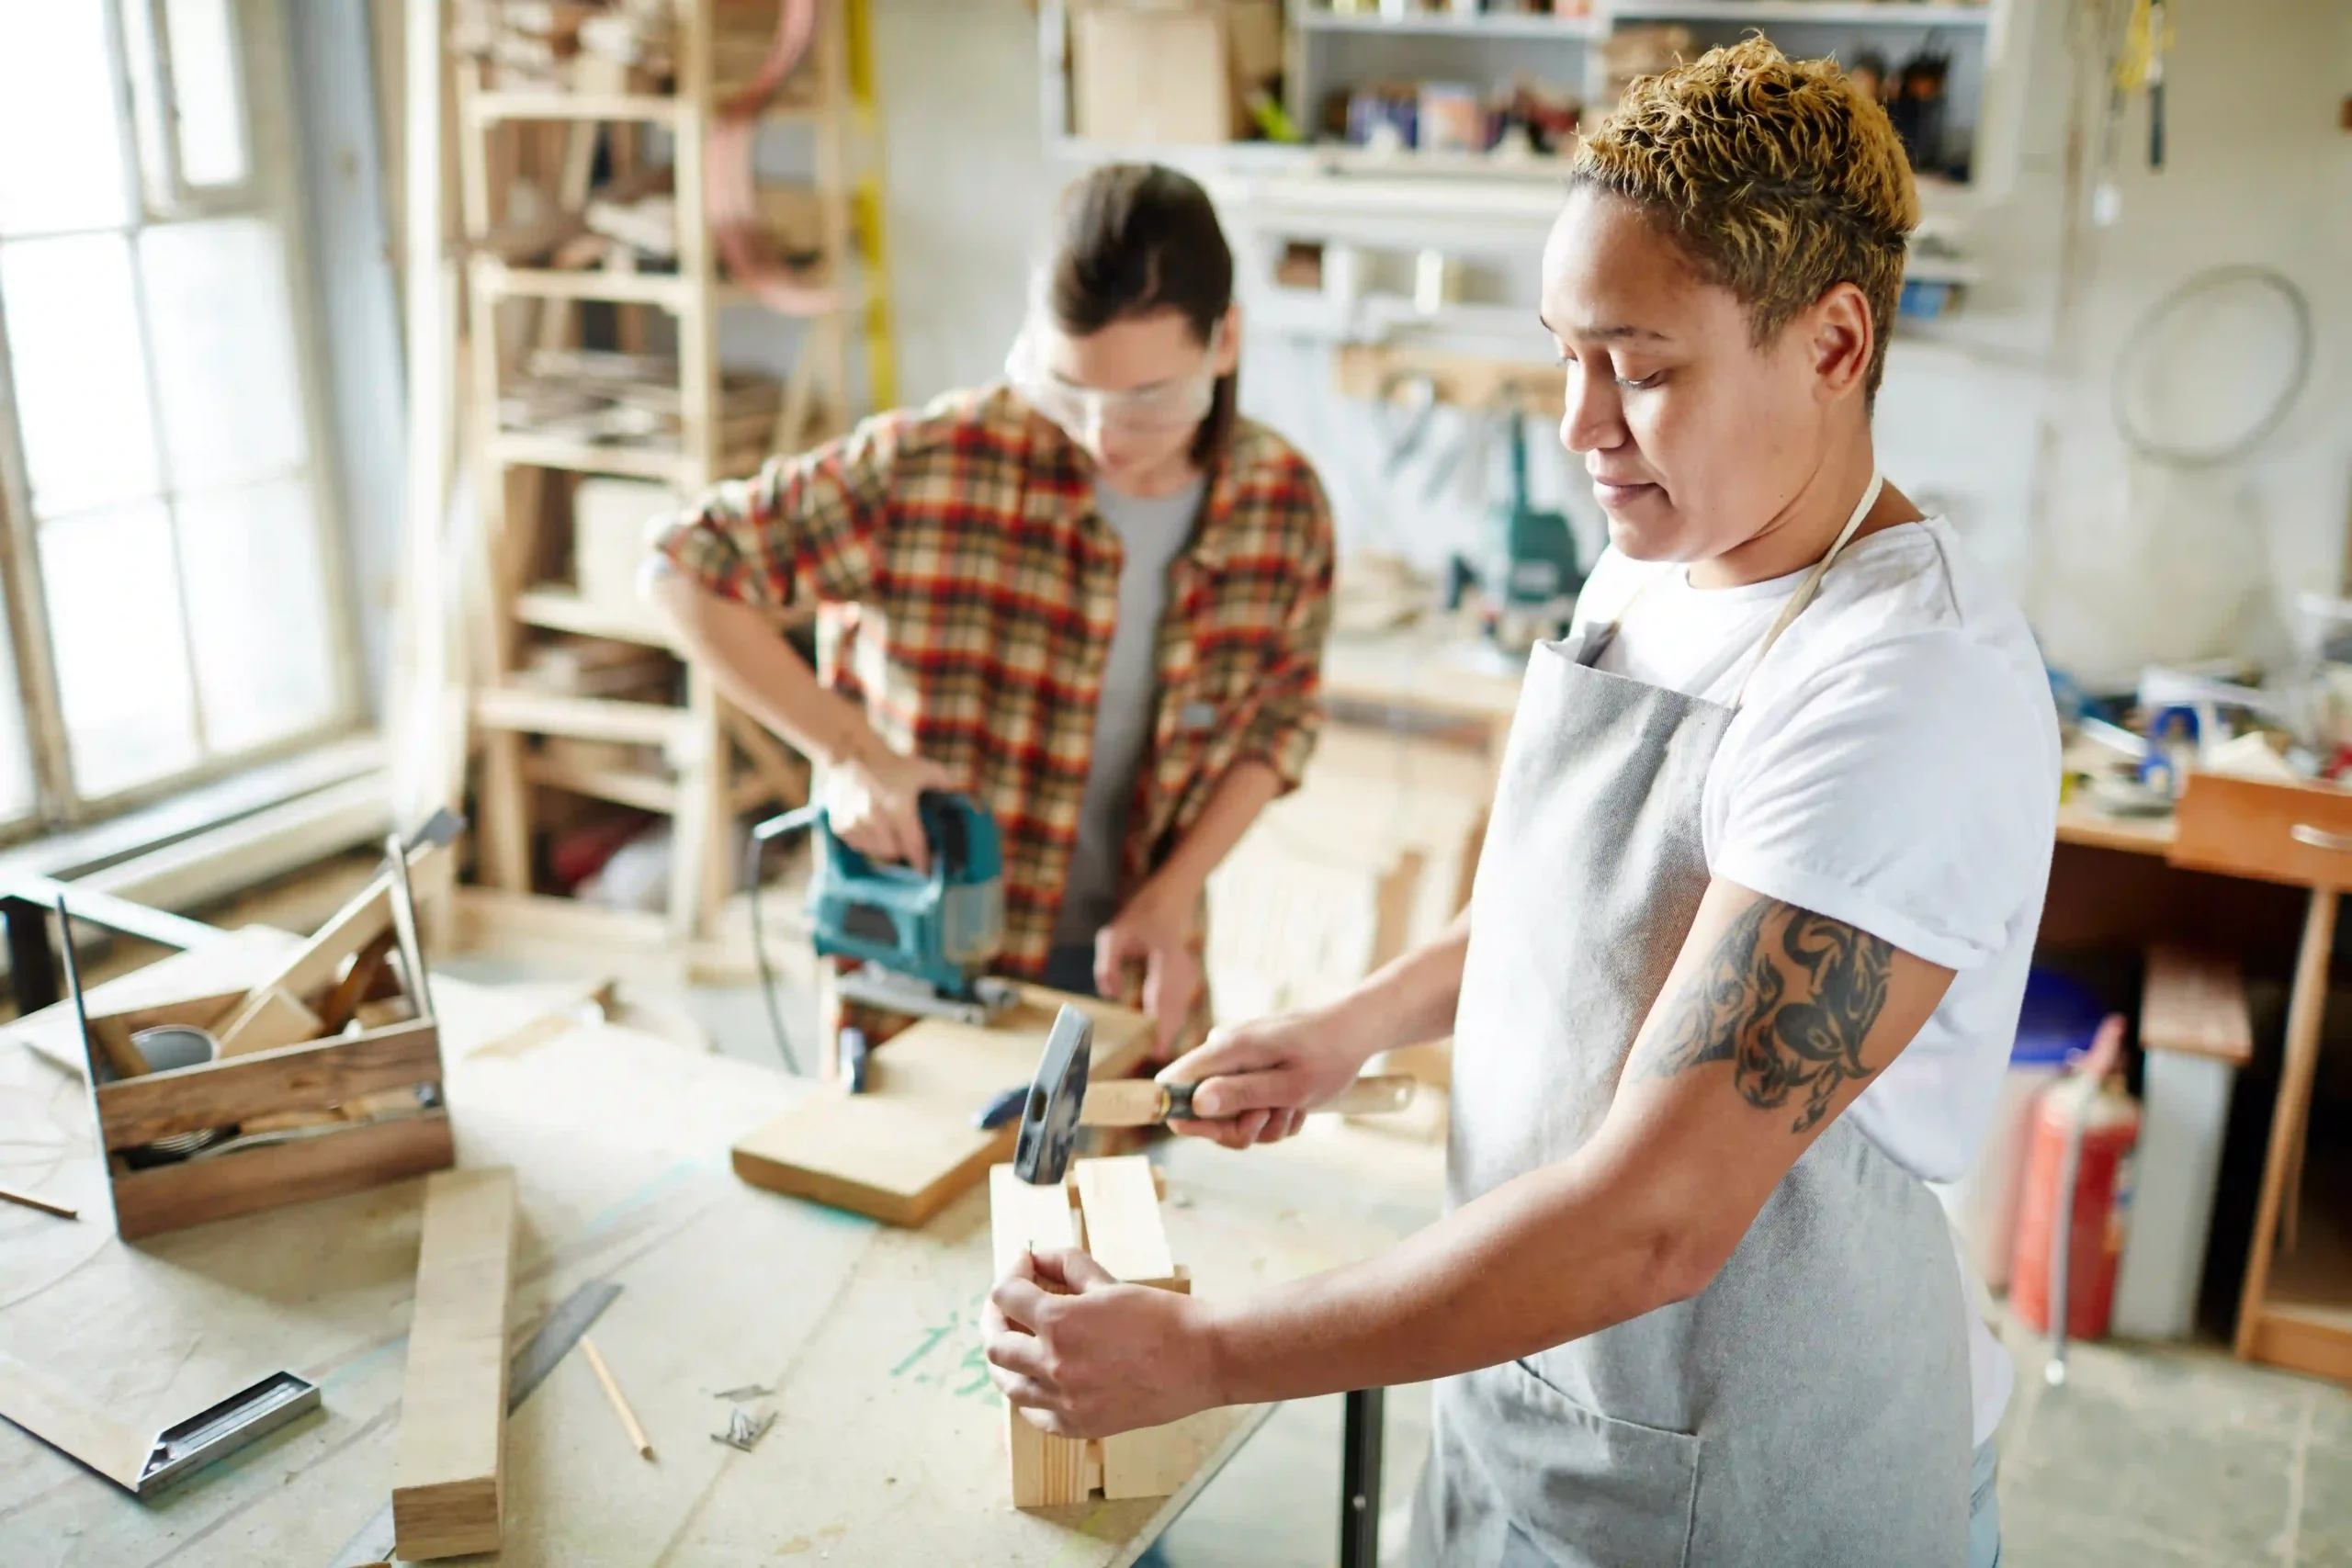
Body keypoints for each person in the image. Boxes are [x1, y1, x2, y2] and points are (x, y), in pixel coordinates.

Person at [983, 40, 2056, 1568]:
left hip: (1747, 1475)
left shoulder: (1902, 691)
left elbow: (1659, 1217)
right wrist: (1358, 1020)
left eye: (1644, 364)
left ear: (1831, 343)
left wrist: (1209, 1354)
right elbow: (1585, 908)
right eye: (1565, 349)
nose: (1581, 421)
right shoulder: (1663, 551)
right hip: (1540, 1387)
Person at [645, 164, 1334, 1056]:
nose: (1100, 437)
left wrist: (1171, 898)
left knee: (1115, 1193)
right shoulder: (932, 466)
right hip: (916, 971)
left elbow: (1276, 724)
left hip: (1128, 972)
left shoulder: (1281, 507)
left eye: (1145, 401)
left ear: (1226, 340)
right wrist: (853, 756)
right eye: (1067, 391)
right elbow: (681, 565)